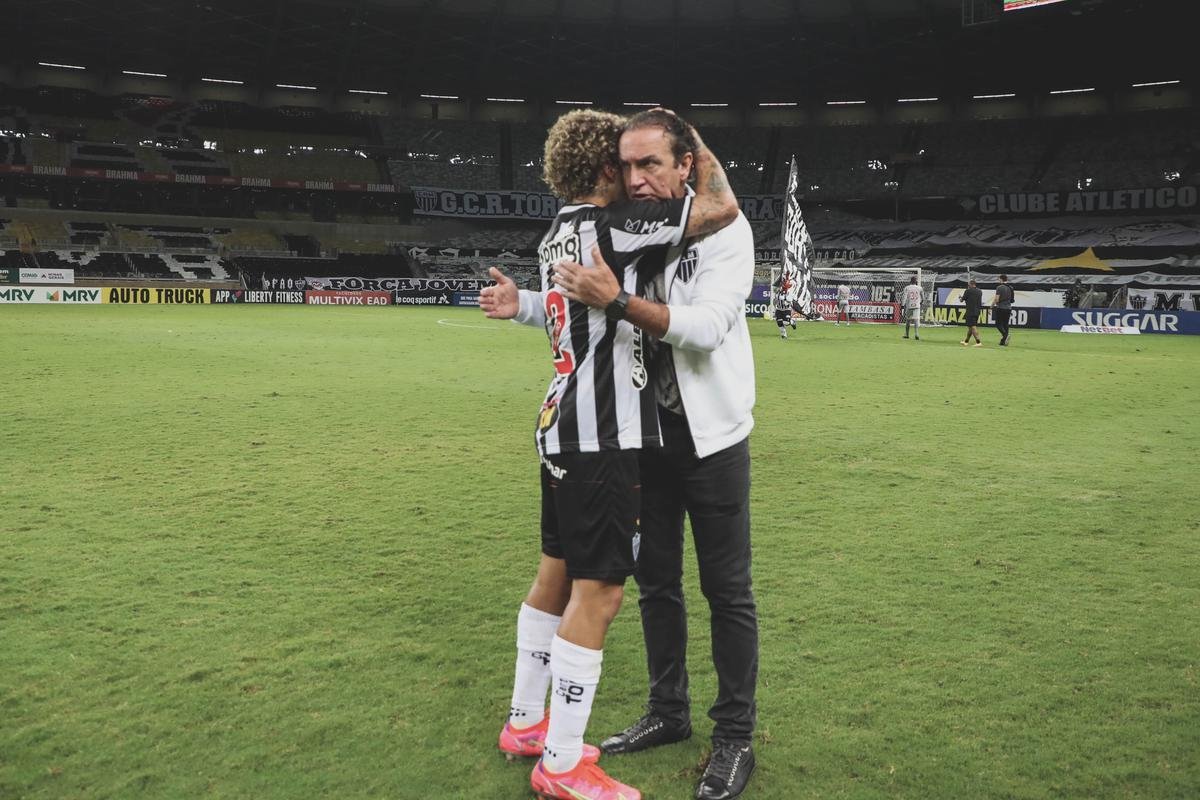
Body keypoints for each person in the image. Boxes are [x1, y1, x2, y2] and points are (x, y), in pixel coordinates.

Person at [479, 108, 738, 800]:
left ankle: (525, 722)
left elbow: (575, 311)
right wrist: (686, 134)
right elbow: (719, 206)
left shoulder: (556, 231)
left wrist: (523, 304)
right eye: (623, 164)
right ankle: (563, 765)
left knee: (554, 575)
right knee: (600, 593)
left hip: (556, 423)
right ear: (603, 169)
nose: (633, 176)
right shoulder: (610, 226)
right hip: (601, 437)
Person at [551, 108, 758, 800]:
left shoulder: (725, 231)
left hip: (713, 440)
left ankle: (733, 737)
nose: (638, 179)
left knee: (726, 592)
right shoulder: (625, 229)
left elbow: (705, 329)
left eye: (653, 164)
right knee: (656, 585)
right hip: (641, 438)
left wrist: (619, 303)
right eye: (629, 165)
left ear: (685, 166)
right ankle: (667, 713)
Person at [992, 274, 1014, 346]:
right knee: (1005, 324)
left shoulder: (999, 287)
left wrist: (991, 306)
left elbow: (996, 299)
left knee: (998, 324)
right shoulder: (1011, 287)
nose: (998, 280)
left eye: (999, 279)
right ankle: (1003, 342)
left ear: (1001, 279)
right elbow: (1012, 299)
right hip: (1008, 308)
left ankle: (1005, 336)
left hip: (1001, 307)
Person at [772, 274, 796, 339]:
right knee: (779, 322)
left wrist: (786, 299)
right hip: (779, 309)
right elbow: (774, 302)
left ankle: (792, 322)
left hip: (786, 309)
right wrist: (775, 306)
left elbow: (790, 301)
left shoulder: (789, 292)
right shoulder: (778, 293)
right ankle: (784, 335)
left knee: (786, 322)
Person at [961, 279, 983, 347]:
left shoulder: (968, 291)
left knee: (973, 327)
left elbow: (962, 300)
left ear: (970, 284)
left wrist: (961, 298)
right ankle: (966, 341)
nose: (968, 285)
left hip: (970, 311)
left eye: (968, 284)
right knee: (970, 327)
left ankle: (978, 342)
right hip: (977, 311)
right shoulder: (980, 291)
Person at [901, 276, 922, 340]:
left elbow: (904, 297)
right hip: (917, 306)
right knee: (916, 320)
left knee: (908, 320)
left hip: (909, 305)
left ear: (910, 281)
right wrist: (921, 302)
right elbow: (923, 297)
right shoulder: (920, 288)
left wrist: (902, 305)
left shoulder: (907, 288)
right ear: (916, 281)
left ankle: (907, 334)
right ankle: (916, 334)